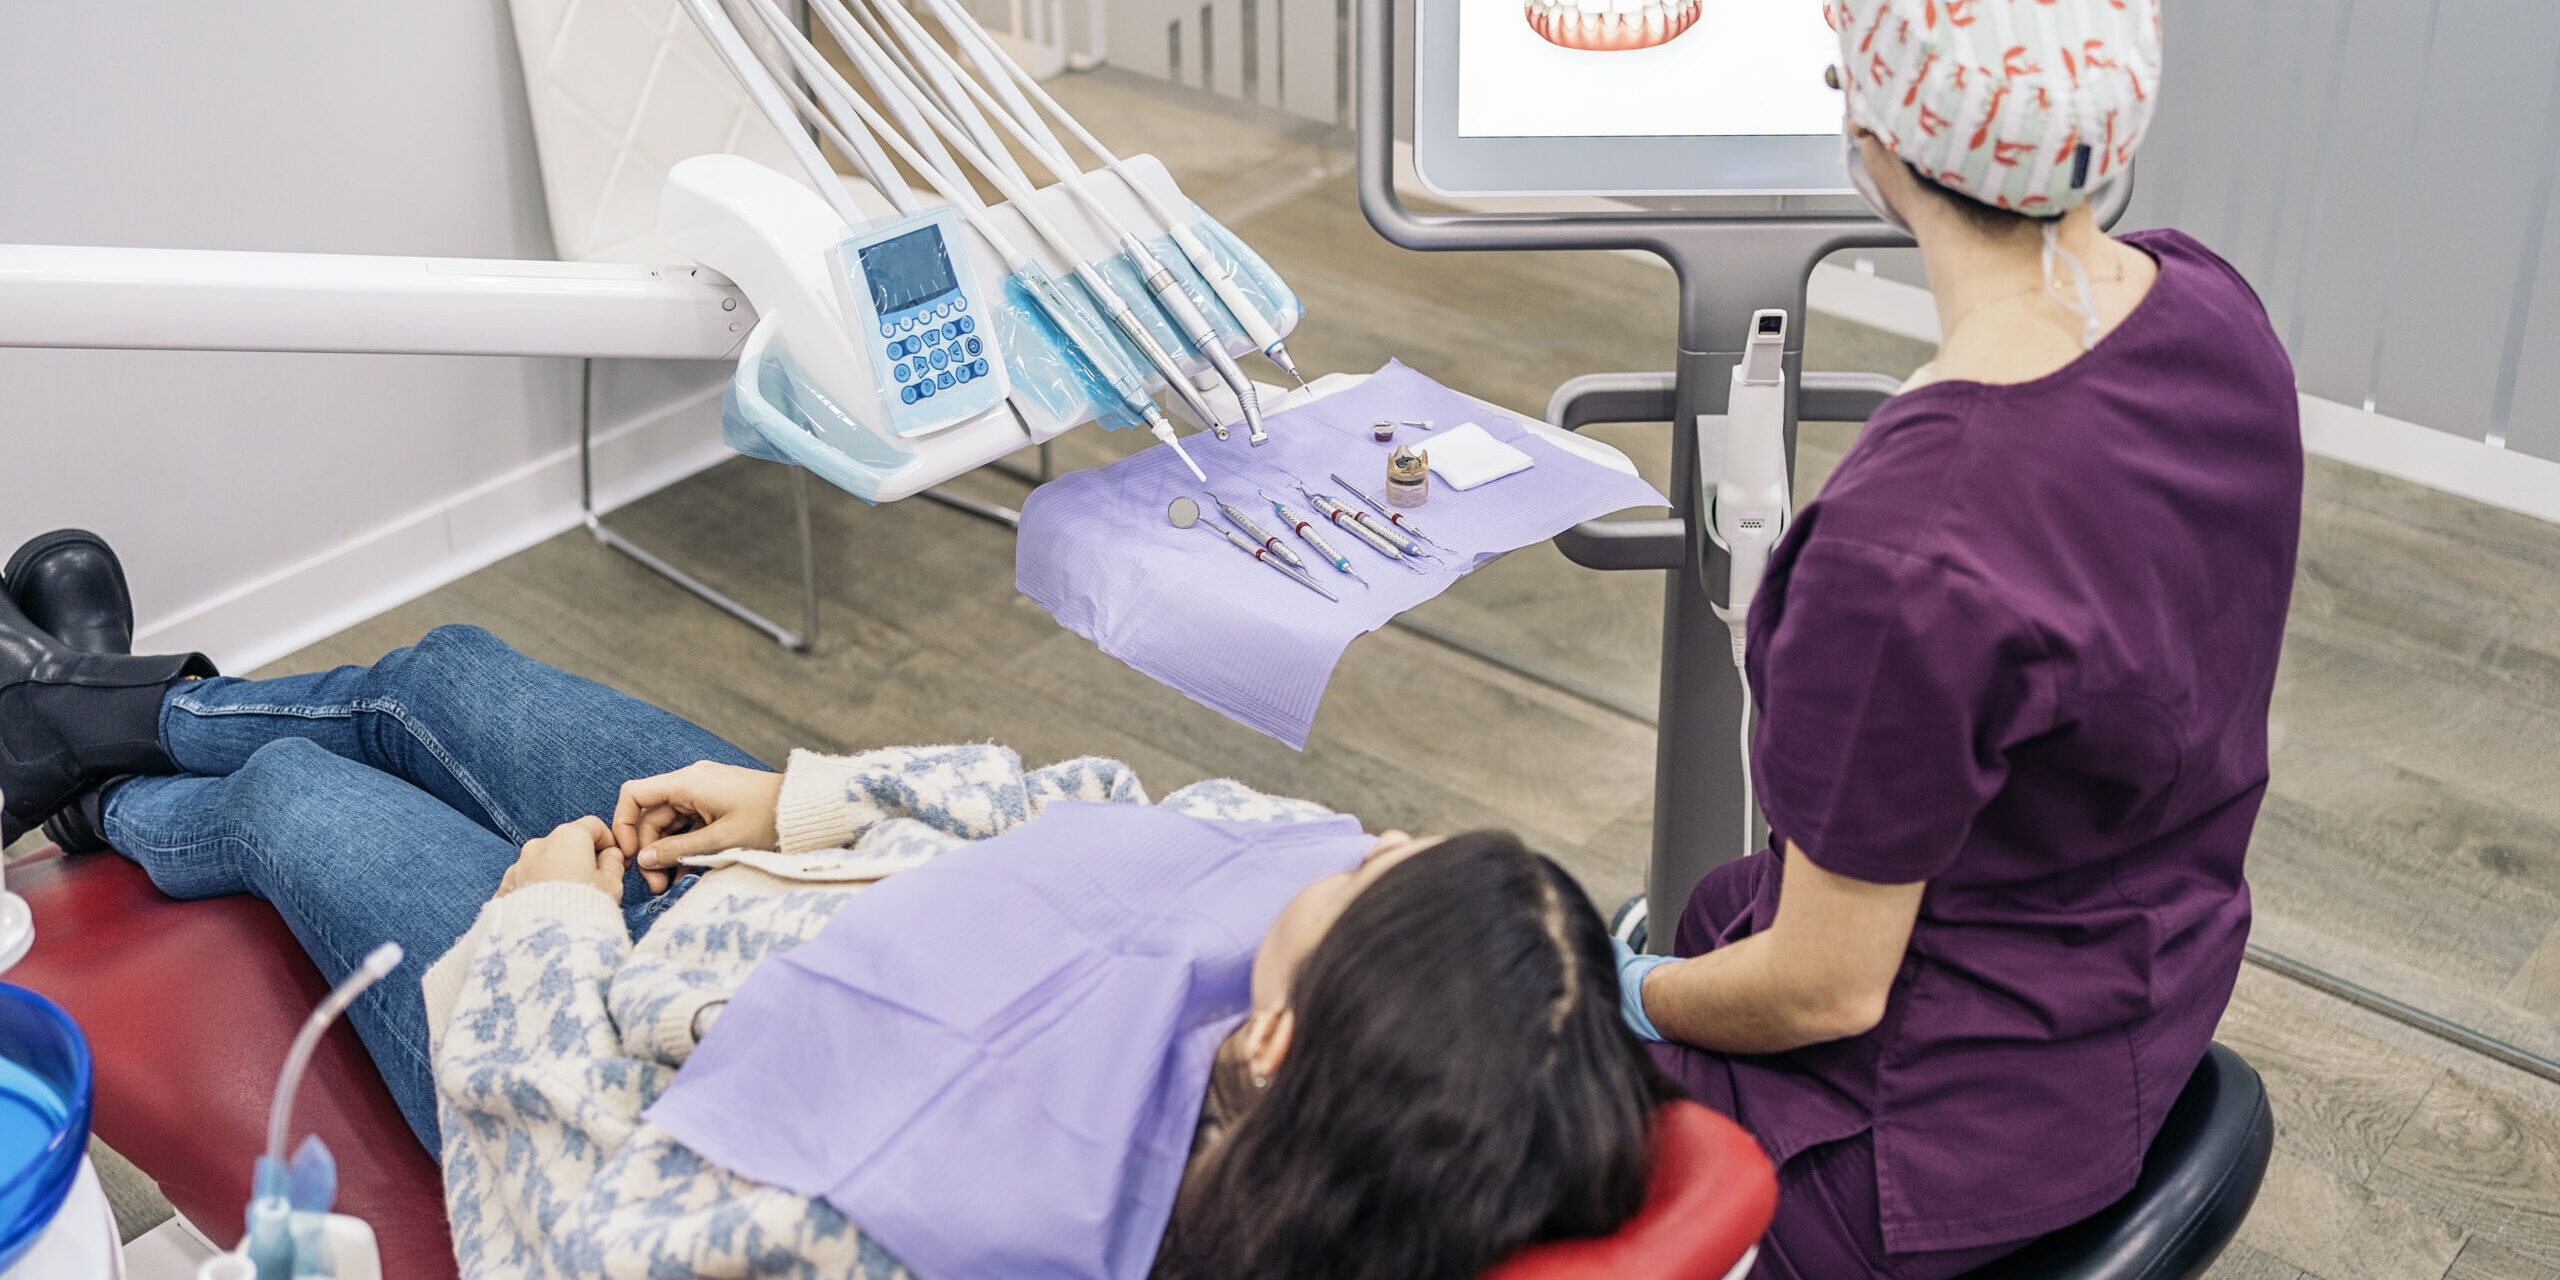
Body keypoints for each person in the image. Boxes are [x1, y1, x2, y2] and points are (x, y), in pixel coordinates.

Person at [0, 531, 1674, 1280]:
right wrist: (807, 798)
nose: (1359, 842)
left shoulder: (944, 1230)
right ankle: (94, 714)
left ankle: (100, 772)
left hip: (619, 1048)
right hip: (778, 875)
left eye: (1378, 876)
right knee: (448, 676)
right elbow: (1077, 806)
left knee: (306, 801)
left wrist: (551, 930)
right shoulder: (1290, 872)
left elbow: (575, 1256)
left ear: (1278, 1039)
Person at [1611, 1, 2301, 1277]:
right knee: (1704, 911)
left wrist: (1628, 993)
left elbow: (1825, 992)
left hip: (1928, 1144)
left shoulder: (1900, 553)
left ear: (1874, 134)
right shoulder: (2214, 314)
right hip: (2138, 1008)